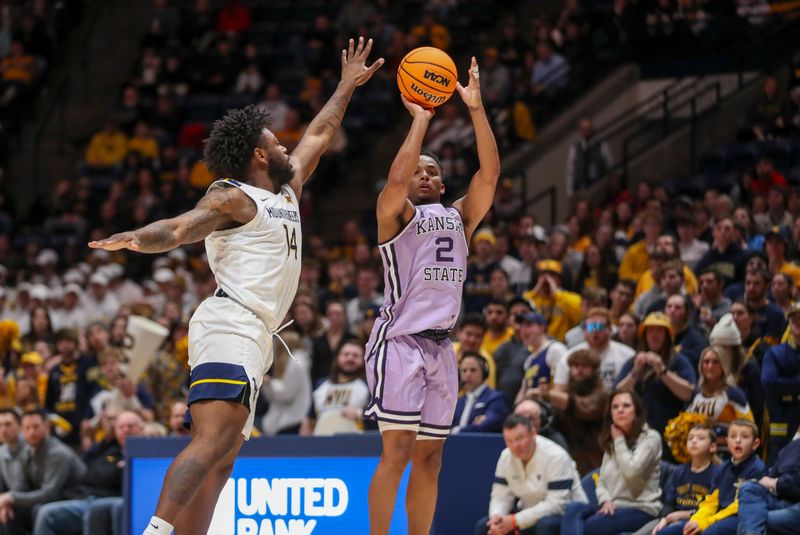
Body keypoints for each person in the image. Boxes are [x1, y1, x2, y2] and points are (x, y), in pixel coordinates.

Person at [88, 37, 383, 535]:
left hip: (257, 333)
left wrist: (346, 86)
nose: (286, 145)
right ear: (257, 155)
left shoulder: (287, 191)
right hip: (232, 321)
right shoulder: (233, 196)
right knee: (211, 441)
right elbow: (182, 227)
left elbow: (322, 131)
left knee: (223, 459)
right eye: (275, 143)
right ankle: (154, 531)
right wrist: (137, 238)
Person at [365, 56, 500, 535]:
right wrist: (420, 121)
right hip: (399, 341)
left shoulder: (459, 217)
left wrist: (476, 109)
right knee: (397, 452)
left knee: (431, 458)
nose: (423, 176)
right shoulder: (395, 215)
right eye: (417, 170)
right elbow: (396, 181)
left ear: (443, 184)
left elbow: (489, 174)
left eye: (432, 172)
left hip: (443, 346)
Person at [560, 388, 663, 535]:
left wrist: (619, 441)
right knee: (573, 509)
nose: (620, 410)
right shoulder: (612, 441)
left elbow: (632, 471)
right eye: (615, 407)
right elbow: (601, 480)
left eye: (626, 406)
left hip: (641, 509)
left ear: (637, 411)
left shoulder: (650, 438)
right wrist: (605, 501)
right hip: (613, 507)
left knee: (588, 528)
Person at [31, 411, 145, 535]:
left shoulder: (146, 454)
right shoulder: (110, 449)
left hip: (110, 501)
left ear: (141, 429)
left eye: (130, 426)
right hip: (88, 498)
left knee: (92, 511)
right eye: (121, 427)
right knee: (43, 511)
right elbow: (87, 473)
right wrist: (107, 442)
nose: (125, 430)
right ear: (115, 431)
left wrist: (109, 473)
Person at [475, 414, 587, 535]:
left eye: (519, 438)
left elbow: (557, 504)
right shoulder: (506, 456)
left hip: (566, 515)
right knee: (484, 526)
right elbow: (500, 496)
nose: (515, 446)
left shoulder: (556, 456)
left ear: (533, 433)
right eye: (509, 441)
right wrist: (497, 519)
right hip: (527, 512)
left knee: (545, 525)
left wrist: (514, 521)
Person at [658, 420, 765, 535]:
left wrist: (707, 522)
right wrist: (696, 521)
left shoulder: (757, 468)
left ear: (755, 444)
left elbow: (738, 506)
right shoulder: (722, 469)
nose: (738, 440)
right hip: (716, 516)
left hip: (740, 517)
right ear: (727, 441)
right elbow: (711, 502)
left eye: (744, 437)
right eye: (733, 436)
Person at [0, 409, 86, 532]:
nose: (32, 432)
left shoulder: (57, 453)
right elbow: (22, 487)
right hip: (51, 501)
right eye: (27, 428)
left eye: (36, 427)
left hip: (74, 500)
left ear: (46, 427)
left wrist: (11, 498)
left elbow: (49, 494)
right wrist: (7, 503)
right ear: (22, 430)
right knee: (9, 513)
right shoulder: (28, 451)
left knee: (39, 510)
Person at [632, 424, 718, 535]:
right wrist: (664, 519)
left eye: (701, 438)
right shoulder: (678, 472)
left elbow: (715, 509)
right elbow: (668, 503)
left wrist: (686, 514)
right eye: (690, 438)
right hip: (672, 519)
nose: (694, 441)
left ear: (713, 447)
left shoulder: (717, 474)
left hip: (697, 522)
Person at [542, 348, 608, 475]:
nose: (579, 371)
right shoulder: (564, 395)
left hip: (596, 457)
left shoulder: (603, 395)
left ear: (594, 370)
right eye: (575, 366)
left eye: (585, 366)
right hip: (569, 455)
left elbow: (583, 407)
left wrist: (548, 394)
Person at [737, 430, 800, 535]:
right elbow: (772, 473)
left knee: (751, 521)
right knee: (748, 488)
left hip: (795, 504)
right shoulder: (793, 444)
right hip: (782, 497)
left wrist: (775, 483)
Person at [301, 340, 369, 436]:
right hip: (321, 444)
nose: (350, 358)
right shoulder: (321, 385)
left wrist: (360, 414)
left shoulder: (369, 386)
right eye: (346, 354)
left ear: (363, 360)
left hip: (355, 444)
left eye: (355, 355)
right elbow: (309, 420)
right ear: (337, 357)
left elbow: (379, 419)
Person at [452, 352, 508, 434]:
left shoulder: (496, 399)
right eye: (464, 370)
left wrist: (456, 430)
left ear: (484, 372)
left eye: (473, 370)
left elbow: (486, 426)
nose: (468, 374)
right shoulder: (458, 402)